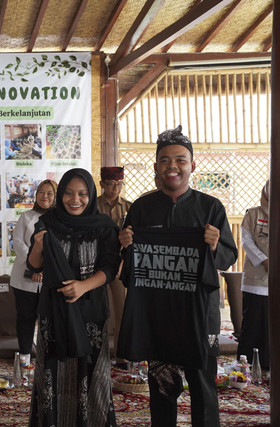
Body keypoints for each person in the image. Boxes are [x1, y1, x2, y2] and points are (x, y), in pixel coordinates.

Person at [118, 125, 237, 427]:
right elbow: (129, 264)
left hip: (201, 314)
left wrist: (213, 246)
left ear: (192, 165)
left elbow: (229, 256)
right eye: (165, 160)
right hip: (159, 316)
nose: (173, 166)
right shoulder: (142, 209)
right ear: (156, 167)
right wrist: (126, 246)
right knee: (163, 387)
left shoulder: (211, 207)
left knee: (204, 386)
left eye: (180, 160)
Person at [27, 168, 120, 426]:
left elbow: (110, 268)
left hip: (91, 312)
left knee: (92, 376)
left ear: (91, 194)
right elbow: (35, 266)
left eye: (82, 193)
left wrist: (82, 286)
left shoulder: (103, 227)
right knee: (52, 376)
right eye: (68, 193)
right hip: (53, 312)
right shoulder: (47, 222)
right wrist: (37, 245)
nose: (74, 199)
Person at [9, 179, 57, 368]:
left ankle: (47, 359)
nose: (45, 196)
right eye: (41, 192)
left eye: (50, 193)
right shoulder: (26, 217)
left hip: (50, 279)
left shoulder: (60, 218)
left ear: (56, 196)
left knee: (49, 320)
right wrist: (34, 267)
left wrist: (45, 270)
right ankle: (25, 358)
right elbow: (18, 244)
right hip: (24, 278)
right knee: (26, 318)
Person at [97, 166, 132, 364]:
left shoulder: (129, 207)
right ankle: (95, 355)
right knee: (97, 312)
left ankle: (121, 355)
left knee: (122, 313)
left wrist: (123, 263)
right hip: (96, 268)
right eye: (111, 184)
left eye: (119, 184)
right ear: (102, 184)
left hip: (120, 268)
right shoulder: (92, 207)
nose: (116, 188)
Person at [237, 179, 269, 369]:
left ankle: (269, 364)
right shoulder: (253, 213)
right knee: (253, 323)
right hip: (256, 280)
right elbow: (247, 240)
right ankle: (245, 365)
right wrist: (265, 260)